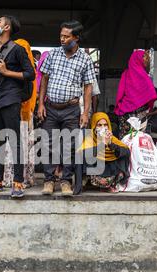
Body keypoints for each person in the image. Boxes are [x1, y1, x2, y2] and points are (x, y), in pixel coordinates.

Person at [37, 20, 96, 197]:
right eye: (61, 36)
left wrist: (85, 112)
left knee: (69, 146)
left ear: (76, 38)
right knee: (48, 144)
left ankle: (65, 181)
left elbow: (88, 87)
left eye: (66, 36)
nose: (62, 39)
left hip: (71, 110)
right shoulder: (53, 54)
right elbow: (44, 80)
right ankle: (48, 181)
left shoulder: (85, 59)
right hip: (50, 108)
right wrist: (40, 104)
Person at [0, 15, 36, 198]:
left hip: (11, 99)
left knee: (14, 141)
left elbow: (30, 74)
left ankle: (18, 182)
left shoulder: (18, 49)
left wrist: (7, 72)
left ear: (6, 27)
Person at [3, 39, 38, 188]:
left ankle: (21, 178)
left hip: (24, 115)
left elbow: (32, 94)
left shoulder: (30, 72)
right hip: (14, 113)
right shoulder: (9, 70)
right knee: (13, 146)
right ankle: (14, 178)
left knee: (20, 146)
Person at [78, 112, 130, 193]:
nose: (103, 128)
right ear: (94, 126)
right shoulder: (90, 138)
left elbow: (126, 152)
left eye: (105, 125)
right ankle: (88, 184)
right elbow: (82, 154)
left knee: (123, 155)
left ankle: (110, 185)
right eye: (99, 125)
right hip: (96, 170)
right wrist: (102, 145)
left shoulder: (112, 138)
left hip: (110, 170)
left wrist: (110, 144)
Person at [114, 50, 157, 139]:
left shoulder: (126, 74)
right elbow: (151, 95)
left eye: (147, 57)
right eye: (144, 57)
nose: (146, 60)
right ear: (137, 59)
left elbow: (120, 95)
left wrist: (121, 107)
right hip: (139, 115)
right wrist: (148, 108)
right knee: (138, 142)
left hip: (126, 114)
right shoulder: (144, 76)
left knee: (125, 141)